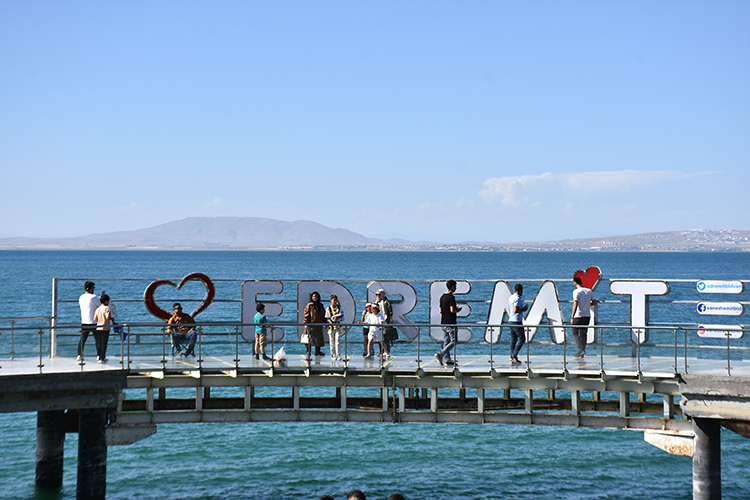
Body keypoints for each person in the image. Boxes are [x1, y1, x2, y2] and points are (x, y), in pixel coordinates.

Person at [435, 280, 461, 366]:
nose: (456, 288)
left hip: (443, 322)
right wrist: (458, 310)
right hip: (451, 322)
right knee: (454, 341)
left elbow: (440, 310)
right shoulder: (451, 297)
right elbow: (452, 310)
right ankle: (441, 354)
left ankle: (447, 359)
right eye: (455, 286)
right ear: (452, 287)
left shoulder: (442, 297)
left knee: (446, 341)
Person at [571, 276, 598, 358]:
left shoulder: (576, 291)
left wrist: (572, 317)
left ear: (575, 283)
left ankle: (581, 349)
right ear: (581, 283)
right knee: (584, 334)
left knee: (574, 333)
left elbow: (575, 304)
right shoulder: (588, 291)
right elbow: (594, 302)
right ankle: (582, 351)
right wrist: (589, 304)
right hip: (587, 315)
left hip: (578, 315)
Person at [77, 281, 101, 361]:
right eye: (93, 287)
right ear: (91, 288)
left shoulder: (81, 297)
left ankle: (79, 355)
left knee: (82, 339)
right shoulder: (94, 297)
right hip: (94, 322)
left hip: (84, 321)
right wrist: (99, 299)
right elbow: (100, 306)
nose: (94, 289)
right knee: (98, 339)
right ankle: (99, 355)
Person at [508, 284, 528, 365]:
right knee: (522, 338)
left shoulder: (511, 297)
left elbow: (510, 309)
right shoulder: (517, 299)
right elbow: (515, 310)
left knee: (514, 339)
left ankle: (513, 356)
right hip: (516, 321)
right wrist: (523, 309)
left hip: (511, 320)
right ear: (520, 290)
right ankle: (514, 355)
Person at [303, 291, 327, 358]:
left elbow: (323, 314)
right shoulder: (309, 305)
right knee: (309, 339)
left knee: (318, 339)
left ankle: (317, 351)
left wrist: (325, 322)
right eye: (313, 296)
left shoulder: (320, 305)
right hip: (311, 324)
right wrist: (306, 323)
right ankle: (308, 352)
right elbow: (306, 314)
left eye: (316, 296)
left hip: (319, 324)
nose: (315, 297)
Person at [93, 293, 113, 363]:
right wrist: (112, 318)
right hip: (105, 328)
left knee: (99, 343)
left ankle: (99, 356)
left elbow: (95, 319)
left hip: (98, 327)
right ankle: (102, 357)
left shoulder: (98, 309)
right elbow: (107, 317)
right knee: (104, 343)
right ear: (106, 301)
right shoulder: (107, 308)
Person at [326, 294, 345, 360]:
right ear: (331, 300)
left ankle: (338, 355)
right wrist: (332, 325)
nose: (335, 302)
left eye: (336, 300)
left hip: (338, 327)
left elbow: (342, 315)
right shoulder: (328, 308)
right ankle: (333, 355)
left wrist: (338, 317)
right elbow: (328, 318)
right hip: (331, 328)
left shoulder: (339, 307)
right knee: (331, 342)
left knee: (337, 341)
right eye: (334, 300)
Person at [375, 289, 394, 356]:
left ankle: (387, 351)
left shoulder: (386, 302)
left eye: (379, 294)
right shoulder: (376, 302)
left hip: (385, 321)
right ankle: (381, 351)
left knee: (385, 336)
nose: (378, 296)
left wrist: (390, 319)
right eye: (376, 295)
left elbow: (390, 310)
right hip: (379, 321)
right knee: (380, 337)